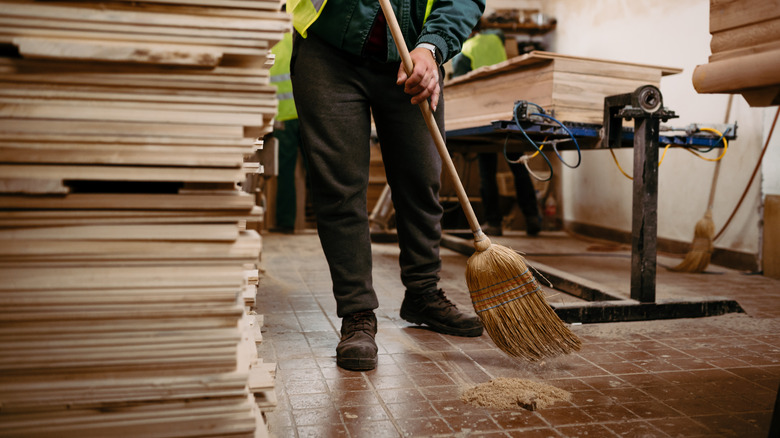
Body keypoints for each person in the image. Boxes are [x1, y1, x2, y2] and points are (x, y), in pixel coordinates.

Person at [288, 0, 486, 371]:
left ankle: (423, 293)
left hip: (413, 55)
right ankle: (357, 312)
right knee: (340, 188)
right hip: (328, 50)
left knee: (421, 177)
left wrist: (433, 46)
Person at [451, 29, 542, 237]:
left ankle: (494, 222)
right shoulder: (496, 37)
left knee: (487, 171)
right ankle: (531, 217)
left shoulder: (465, 49)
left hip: (484, 115)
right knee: (519, 166)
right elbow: (501, 34)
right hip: (509, 112)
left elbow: (459, 84)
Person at [270, 28, 302, 232]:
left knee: (285, 172)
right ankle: (330, 224)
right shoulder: (299, 37)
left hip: (283, 116)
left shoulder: (271, 43)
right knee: (323, 169)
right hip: (306, 112)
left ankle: (285, 223)